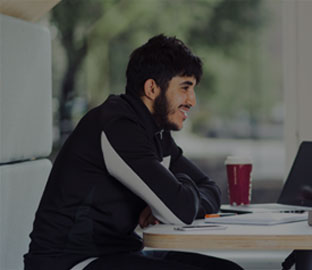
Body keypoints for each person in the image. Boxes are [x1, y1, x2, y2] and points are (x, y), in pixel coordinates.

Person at [24, 34, 243, 270]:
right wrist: (170, 198)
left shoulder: (155, 131)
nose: (192, 100)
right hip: (70, 262)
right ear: (152, 88)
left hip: (117, 253)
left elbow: (211, 189)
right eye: (185, 88)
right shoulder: (117, 126)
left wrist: (169, 198)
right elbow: (181, 211)